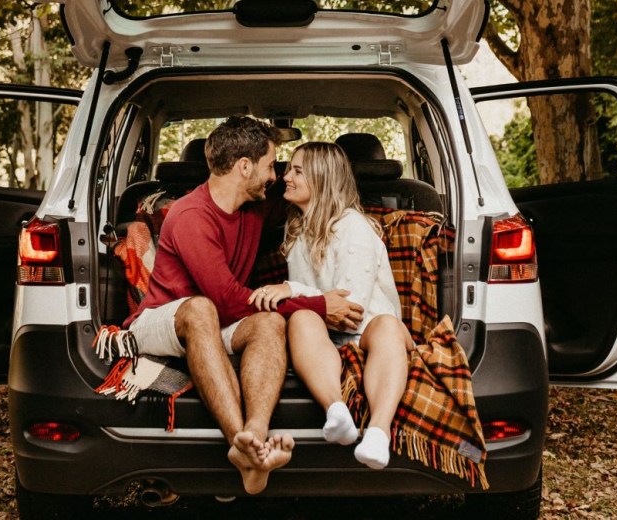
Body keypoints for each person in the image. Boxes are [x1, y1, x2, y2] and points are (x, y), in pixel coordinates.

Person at [123, 118, 365, 494]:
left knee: (269, 322)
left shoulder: (258, 205)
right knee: (201, 308)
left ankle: (255, 435)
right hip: (162, 318)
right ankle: (240, 446)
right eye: (271, 165)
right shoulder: (190, 216)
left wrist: (362, 222)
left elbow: (315, 197)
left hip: (218, 319)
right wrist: (317, 305)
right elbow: (228, 301)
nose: (276, 176)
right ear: (245, 167)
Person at [248, 142, 410, 470]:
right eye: (287, 169)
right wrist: (296, 299)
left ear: (322, 178)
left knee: (388, 327)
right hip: (327, 331)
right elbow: (318, 307)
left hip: (368, 326)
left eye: (296, 171)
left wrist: (290, 289)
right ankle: (336, 412)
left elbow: (351, 308)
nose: (285, 177)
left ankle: (379, 433)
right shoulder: (298, 229)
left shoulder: (354, 226)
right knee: (300, 319)